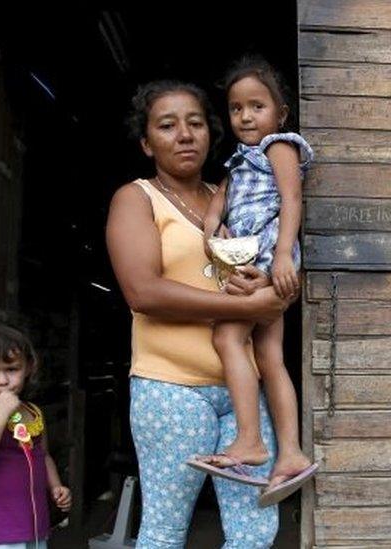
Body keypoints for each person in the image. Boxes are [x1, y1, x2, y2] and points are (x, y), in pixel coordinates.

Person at [106, 79, 292, 548]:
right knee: (167, 529)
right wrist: (242, 304)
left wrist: (266, 285)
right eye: (167, 126)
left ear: (211, 133)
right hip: (171, 389)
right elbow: (142, 291)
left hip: (241, 392)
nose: (185, 135)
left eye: (195, 123)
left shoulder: (234, 192)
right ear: (147, 143)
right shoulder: (137, 198)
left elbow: (274, 261)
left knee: (255, 531)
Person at [193, 56, 316, 507]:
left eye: (257, 106)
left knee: (227, 336)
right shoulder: (238, 163)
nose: (246, 116)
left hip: (269, 264)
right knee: (269, 357)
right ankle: (291, 454)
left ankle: (249, 440)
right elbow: (216, 206)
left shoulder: (279, 148)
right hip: (246, 261)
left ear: (280, 113)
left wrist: (284, 255)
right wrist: (211, 232)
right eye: (236, 108)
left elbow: (292, 199)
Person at [0, 322, 71, 549]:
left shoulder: (33, 412)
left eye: (12, 369)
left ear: (28, 368)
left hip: (33, 527)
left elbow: (43, 456)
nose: (2, 381)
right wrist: (1, 412)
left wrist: (56, 486)